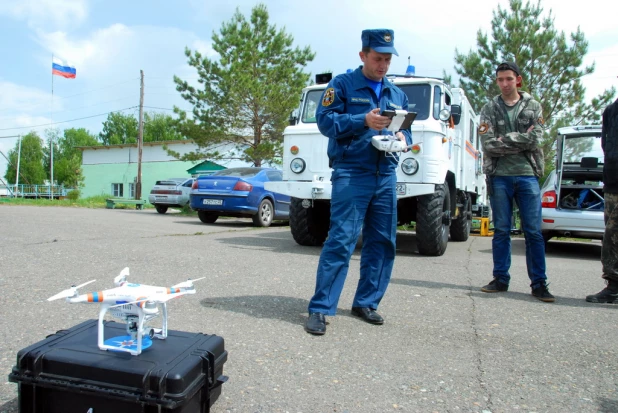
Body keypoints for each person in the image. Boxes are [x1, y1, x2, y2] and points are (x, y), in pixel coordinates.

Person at [304, 28, 412, 335]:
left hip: (386, 173)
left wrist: (405, 136)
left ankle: (366, 302)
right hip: (353, 171)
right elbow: (325, 122)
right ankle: (321, 308)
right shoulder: (341, 85)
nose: (383, 65)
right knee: (341, 240)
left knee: (382, 241)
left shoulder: (396, 92)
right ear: (363, 55)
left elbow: (407, 126)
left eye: (388, 59)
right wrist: (362, 120)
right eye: (377, 58)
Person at [478, 61, 555, 302]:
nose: (504, 84)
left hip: (527, 175)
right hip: (499, 176)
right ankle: (500, 279)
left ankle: (539, 284)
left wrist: (506, 140)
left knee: (533, 232)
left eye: (509, 79)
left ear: (517, 80)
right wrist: (520, 139)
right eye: (500, 79)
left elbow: (537, 139)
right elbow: (488, 143)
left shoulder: (533, 105)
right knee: (501, 230)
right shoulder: (489, 108)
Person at [586, 97, 618, 303]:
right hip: (613, 181)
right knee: (611, 234)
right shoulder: (611, 110)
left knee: (613, 232)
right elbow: (606, 145)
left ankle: (614, 285)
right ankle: (614, 286)